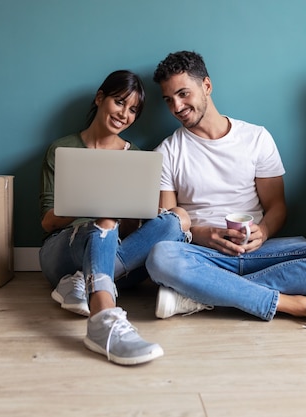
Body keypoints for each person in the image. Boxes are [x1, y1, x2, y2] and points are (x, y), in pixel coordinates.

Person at [145, 51, 306, 328]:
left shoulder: (256, 138)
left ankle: (200, 297)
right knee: (161, 256)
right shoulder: (168, 152)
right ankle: (296, 305)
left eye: (183, 94)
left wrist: (264, 231)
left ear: (206, 86)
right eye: (169, 100)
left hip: (262, 253)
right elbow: (169, 224)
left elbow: (277, 207)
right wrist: (204, 234)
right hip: (203, 256)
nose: (177, 106)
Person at [39, 70, 191, 365]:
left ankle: (85, 280)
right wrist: (94, 207)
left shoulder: (135, 156)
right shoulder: (62, 149)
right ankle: (103, 318)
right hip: (61, 252)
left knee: (177, 218)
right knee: (105, 221)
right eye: (119, 102)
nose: (125, 114)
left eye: (133, 109)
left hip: (113, 256)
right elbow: (46, 222)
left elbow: (135, 230)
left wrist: (137, 215)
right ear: (100, 98)